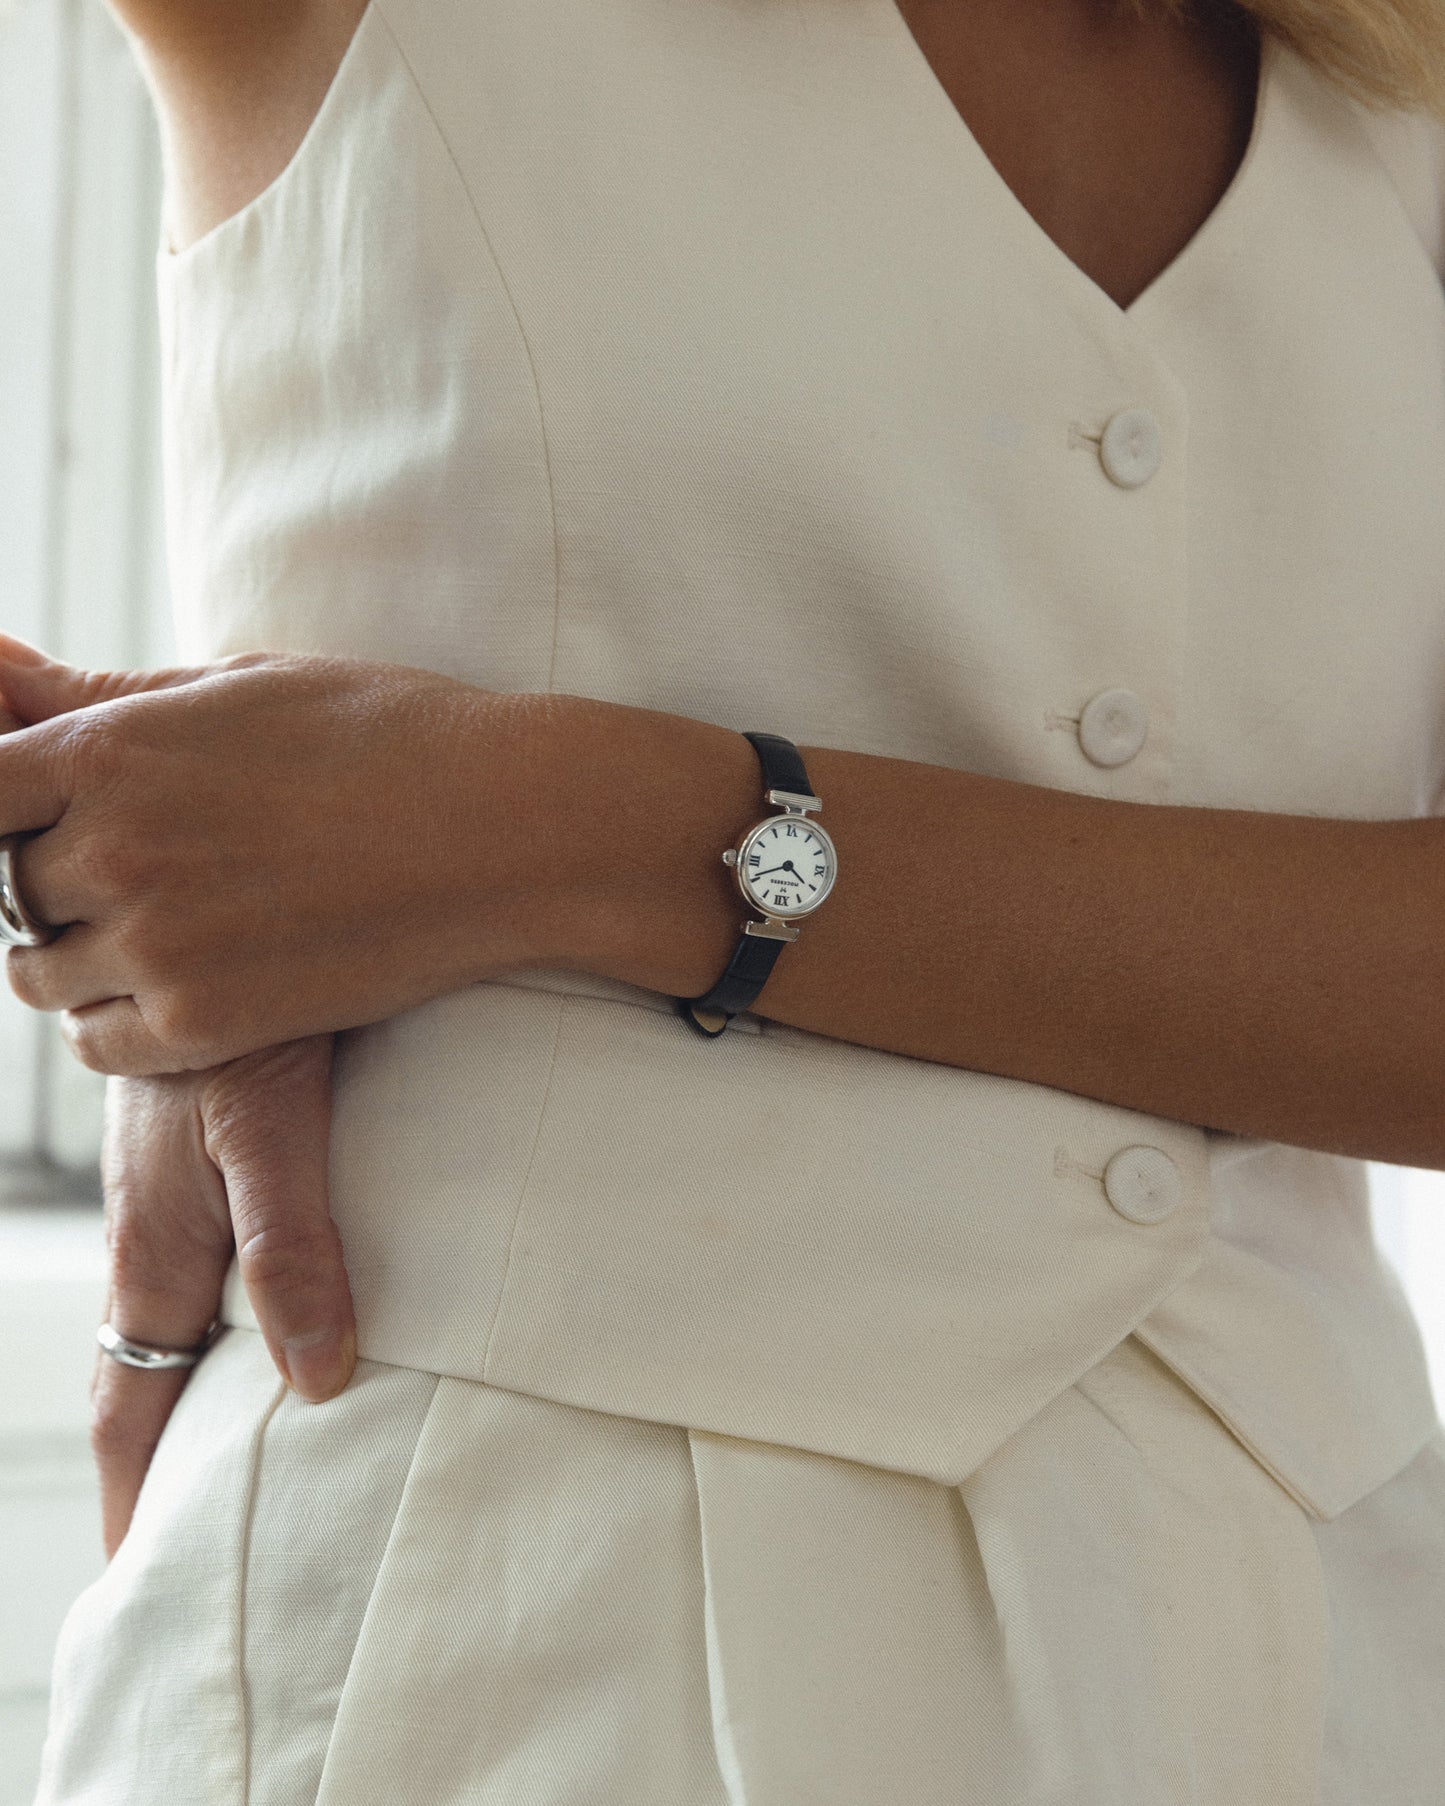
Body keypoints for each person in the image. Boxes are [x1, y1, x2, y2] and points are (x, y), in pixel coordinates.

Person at [10, 0, 1445, 1797]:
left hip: (1311, 1647)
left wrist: (580, 828)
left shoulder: (1400, 78)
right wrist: (119, 833)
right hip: (487, 1622)